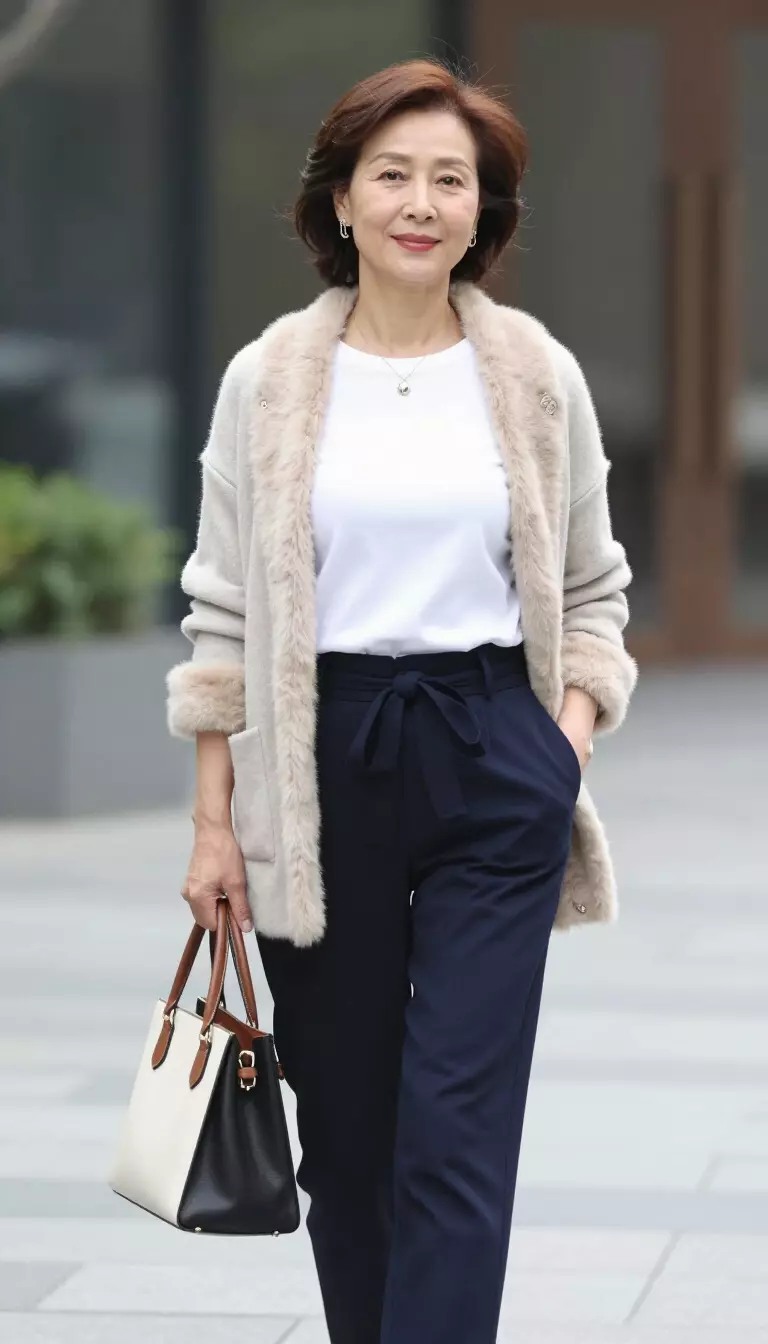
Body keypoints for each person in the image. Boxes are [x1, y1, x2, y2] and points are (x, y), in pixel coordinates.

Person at [166, 57, 637, 1344]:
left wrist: (562, 747)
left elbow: (594, 588)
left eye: (451, 181)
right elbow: (223, 614)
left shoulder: (533, 373)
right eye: (393, 176)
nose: (422, 203)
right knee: (351, 1137)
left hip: (494, 753)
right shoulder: (270, 378)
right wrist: (215, 826)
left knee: (458, 1128)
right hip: (320, 764)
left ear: (484, 211)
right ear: (341, 199)